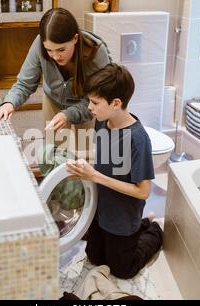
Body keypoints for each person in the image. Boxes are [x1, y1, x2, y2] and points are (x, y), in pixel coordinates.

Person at [66, 63, 163, 279]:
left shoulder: (138, 139)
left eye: (95, 102)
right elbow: (102, 158)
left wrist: (95, 176)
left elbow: (143, 191)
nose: (89, 107)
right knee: (95, 257)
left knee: (122, 270)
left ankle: (154, 230)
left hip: (122, 218)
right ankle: (142, 225)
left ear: (116, 103)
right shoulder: (103, 122)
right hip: (102, 212)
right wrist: (78, 162)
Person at [0, 8, 112, 150]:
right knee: (53, 153)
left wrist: (68, 114)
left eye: (61, 50)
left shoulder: (96, 53)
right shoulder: (39, 44)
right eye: (49, 50)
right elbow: (25, 84)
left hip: (87, 104)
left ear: (75, 38)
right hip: (53, 100)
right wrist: (9, 102)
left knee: (85, 154)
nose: (55, 57)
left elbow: (100, 98)